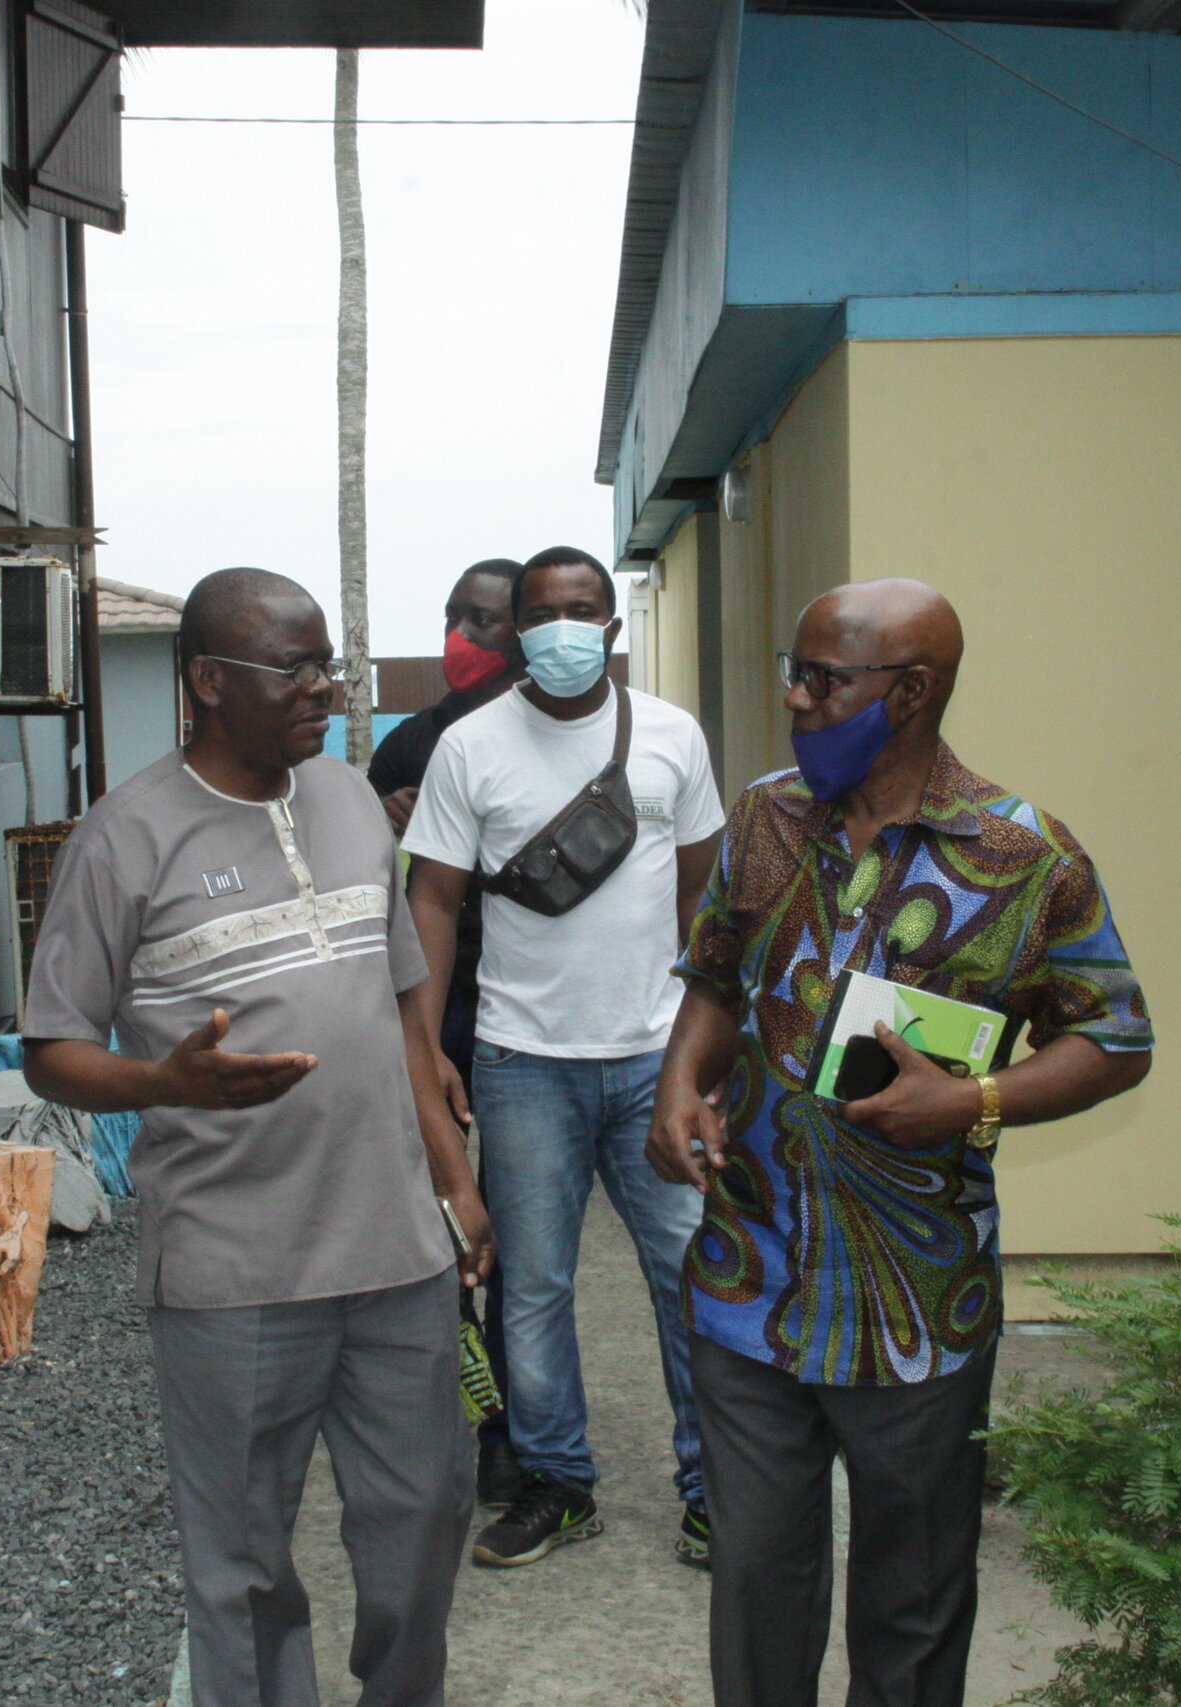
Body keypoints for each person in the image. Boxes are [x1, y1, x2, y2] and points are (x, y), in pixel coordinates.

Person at [647, 579, 1154, 1707]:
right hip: (748, 1281)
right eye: (797, 669)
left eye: (823, 680)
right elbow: (716, 980)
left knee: (912, 1606)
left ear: (911, 692)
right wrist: (680, 1083)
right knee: (756, 1590)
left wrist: (974, 1106)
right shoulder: (764, 818)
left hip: (918, 1307)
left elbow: (1115, 1039)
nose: (794, 697)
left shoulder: (1027, 859)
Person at [22, 567, 493, 1707]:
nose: (321, 688)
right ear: (205, 683)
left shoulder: (341, 797)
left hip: (396, 1258)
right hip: (235, 1274)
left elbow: (397, 1012)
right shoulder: (122, 839)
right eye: (293, 667)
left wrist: (454, 1183)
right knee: (239, 1567)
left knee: (422, 1532)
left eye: (325, 663)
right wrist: (161, 1081)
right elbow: (48, 1048)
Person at [401, 545, 725, 1570]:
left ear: (611, 626)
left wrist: (705, 1054)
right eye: (541, 612)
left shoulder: (672, 735)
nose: (561, 628)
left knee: (690, 1277)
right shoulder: (469, 747)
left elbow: (702, 904)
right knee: (532, 1286)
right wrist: (425, 1044)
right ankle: (554, 1483)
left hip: (654, 1065)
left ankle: (718, 1490)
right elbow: (434, 902)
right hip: (521, 1059)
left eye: (582, 609)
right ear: (515, 628)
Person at [365, 557, 529, 1506]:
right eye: (454, 615)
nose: (464, 635)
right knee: (437, 1212)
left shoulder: (555, 739)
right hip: (429, 1003)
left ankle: (509, 1425)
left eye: (485, 619)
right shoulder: (409, 747)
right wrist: (387, 824)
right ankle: (446, 1402)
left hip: (520, 1004)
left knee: (511, 1225)